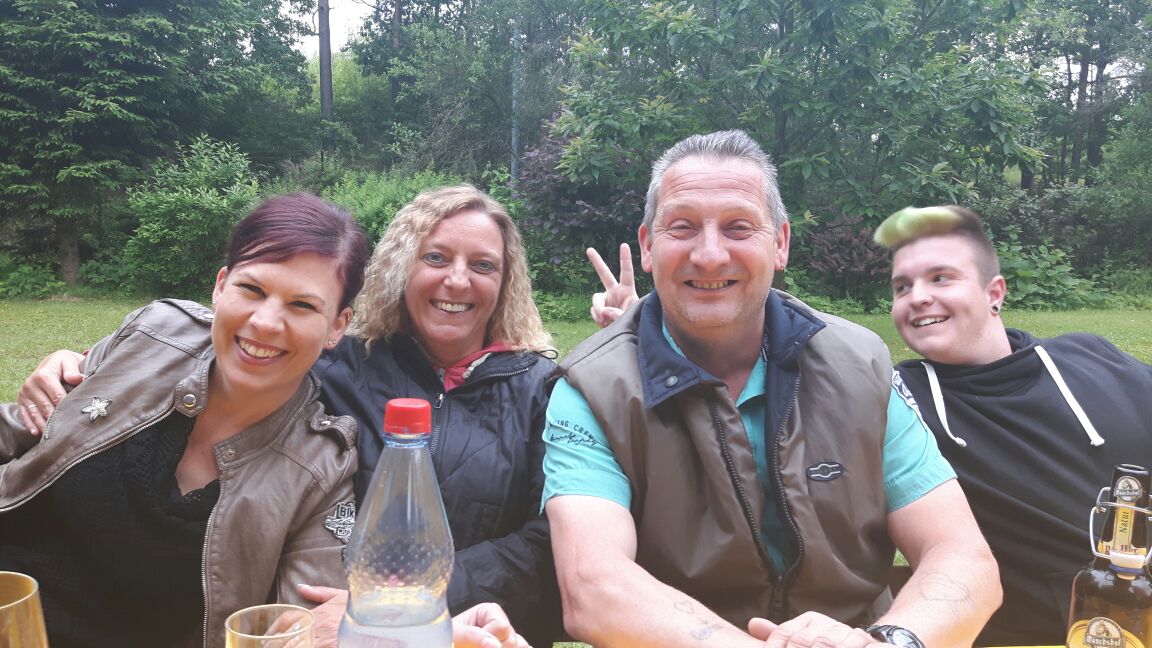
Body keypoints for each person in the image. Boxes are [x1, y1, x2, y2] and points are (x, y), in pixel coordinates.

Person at [18, 185, 558, 647]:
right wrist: (76, 364)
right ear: (402, 267)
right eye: (435, 257)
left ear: (506, 281)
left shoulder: (541, 388)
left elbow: (553, 542)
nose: (457, 280)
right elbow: (230, 340)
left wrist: (403, 609)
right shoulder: (345, 362)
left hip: (471, 621)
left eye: (483, 265)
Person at [552, 130, 1001, 647]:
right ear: (649, 246)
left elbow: (962, 556)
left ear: (780, 244)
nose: (710, 255)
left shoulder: (860, 364)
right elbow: (594, 584)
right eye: (682, 227)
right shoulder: (592, 388)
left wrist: (890, 642)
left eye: (739, 227)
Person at [0, 193, 369, 647]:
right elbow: (26, 427)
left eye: (303, 305)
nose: (265, 322)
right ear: (220, 285)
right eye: (252, 290)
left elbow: (298, 626)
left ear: (338, 325)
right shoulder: (155, 334)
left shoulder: (321, 468)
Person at [874, 205, 1152, 645]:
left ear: (994, 293)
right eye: (902, 287)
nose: (917, 297)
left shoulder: (1089, 356)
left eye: (941, 278)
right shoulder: (897, 401)